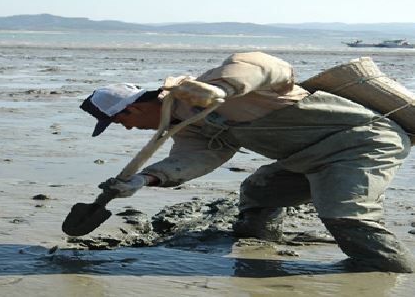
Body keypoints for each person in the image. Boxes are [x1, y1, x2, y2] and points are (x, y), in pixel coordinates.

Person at [80, 52, 414, 273]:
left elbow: (271, 67)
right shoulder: (185, 123)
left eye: (120, 122)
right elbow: (196, 157)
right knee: (259, 191)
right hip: (305, 158)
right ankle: (259, 246)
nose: (126, 128)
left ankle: (389, 271)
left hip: (360, 144)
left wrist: (222, 88)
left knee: (345, 212)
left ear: (130, 109)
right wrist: (145, 179)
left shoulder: (210, 85)